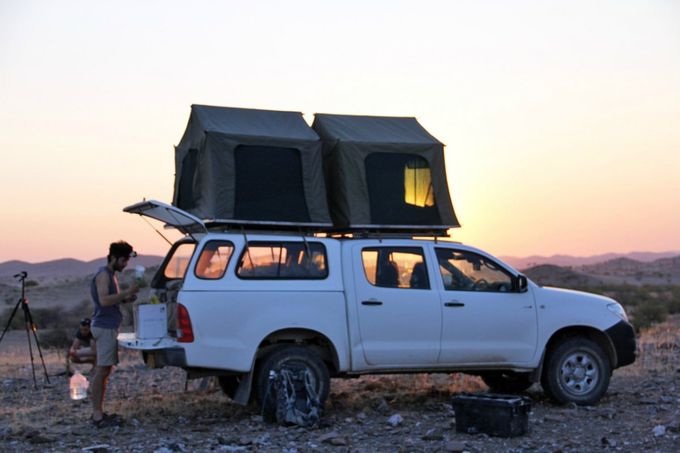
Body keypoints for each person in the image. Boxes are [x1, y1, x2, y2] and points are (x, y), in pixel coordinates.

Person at [90, 241, 139, 428]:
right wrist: (126, 292)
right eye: (123, 260)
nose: (125, 264)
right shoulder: (104, 275)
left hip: (108, 326)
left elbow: (110, 300)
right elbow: (103, 300)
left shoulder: (110, 275)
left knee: (105, 370)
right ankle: (97, 415)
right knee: (102, 371)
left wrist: (125, 298)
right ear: (113, 258)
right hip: (104, 327)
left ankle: (99, 412)